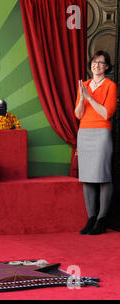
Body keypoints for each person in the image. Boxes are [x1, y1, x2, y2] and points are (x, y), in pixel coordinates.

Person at [75, 50, 118, 235]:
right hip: (84, 132)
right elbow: (78, 114)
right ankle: (90, 218)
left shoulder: (110, 85)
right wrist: (82, 97)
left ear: (106, 66)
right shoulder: (83, 85)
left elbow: (106, 113)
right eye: (94, 62)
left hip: (101, 132)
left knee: (103, 176)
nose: (96, 65)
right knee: (87, 177)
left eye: (101, 63)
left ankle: (101, 220)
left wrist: (90, 98)